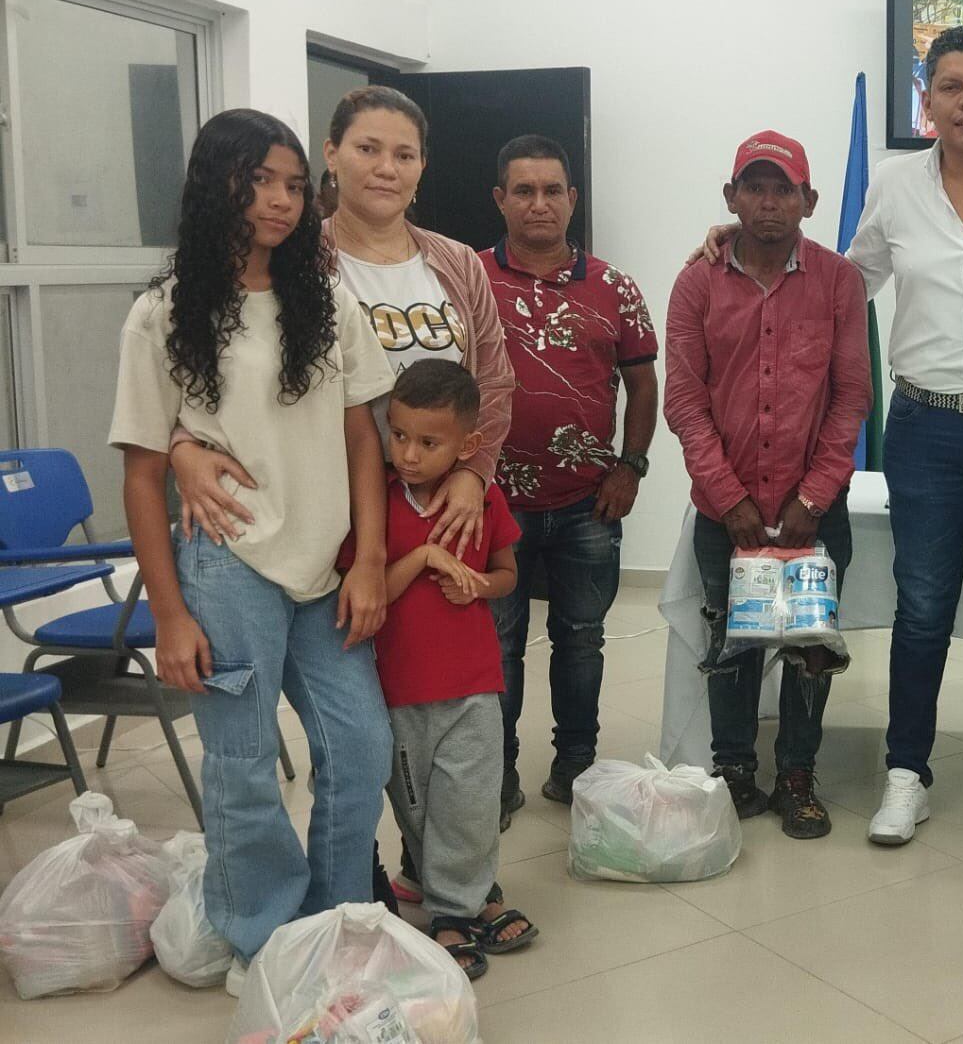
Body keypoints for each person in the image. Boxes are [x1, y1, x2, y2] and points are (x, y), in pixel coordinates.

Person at [693, 28, 963, 852]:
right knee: (921, 609)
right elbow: (843, 281)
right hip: (923, 428)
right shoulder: (894, 186)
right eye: (950, 86)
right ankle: (907, 774)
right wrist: (731, 246)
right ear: (926, 102)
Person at [165, 84, 516, 907]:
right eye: (367, 148)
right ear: (332, 154)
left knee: (449, 705)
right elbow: (216, 377)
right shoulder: (294, 256)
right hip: (338, 519)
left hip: (448, 511)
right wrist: (181, 445)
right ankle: (350, 890)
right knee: (367, 717)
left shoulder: (456, 264)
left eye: (403, 152)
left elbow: (492, 382)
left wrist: (471, 470)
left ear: (423, 166)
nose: (385, 167)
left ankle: (444, 875)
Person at [111, 108, 395, 994]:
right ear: (217, 186)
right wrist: (168, 614)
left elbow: (363, 438)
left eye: (292, 183)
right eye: (260, 180)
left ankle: (335, 919)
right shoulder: (161, 316)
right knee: (241, 768)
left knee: (360, 746)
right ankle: (261, 940)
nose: (279, 200)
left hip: (325, 565)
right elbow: (143, 473)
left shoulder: (327, 299)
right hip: (225, 565)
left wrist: (373, 559)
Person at [665, 130, 870, 839]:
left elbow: (851, 398)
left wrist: (813, 497)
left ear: (809, 201)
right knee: (732, 644)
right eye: (754, 187)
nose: (769, 203)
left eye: (784, 189)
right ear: (731, 198)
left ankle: (796, 776)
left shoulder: (840, 281)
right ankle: (734, 774)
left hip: (814, 513)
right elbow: (685, 404)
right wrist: (731, 501)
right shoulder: (697, 281)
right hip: (729, 515)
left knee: (811, 648)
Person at [481, 134, 658, 817]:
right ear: (500, 199)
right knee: (498, 644)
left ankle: (576, 768)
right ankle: (494, 775)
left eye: (552, 190)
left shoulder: (613, 286)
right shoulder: (466, 278)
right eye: (523, 190)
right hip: (491, 503)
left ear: (572, 199)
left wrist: (631, 467)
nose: (539, 204)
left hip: (589, 502)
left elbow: (642, 386)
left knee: (581, 641)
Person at [341, 359, 534, 979]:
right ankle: (439, 888)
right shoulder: (375, 505)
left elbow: (506, 577)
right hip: (400, 694)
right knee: (420, 807)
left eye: (429, 442)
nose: (410, 455)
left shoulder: (483, 499)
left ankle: (456, 910)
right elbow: (365, 587)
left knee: (471, 801)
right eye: (398, 436)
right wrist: (423, 555)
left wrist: (477, 588)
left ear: (468, 445)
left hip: (475, 686)